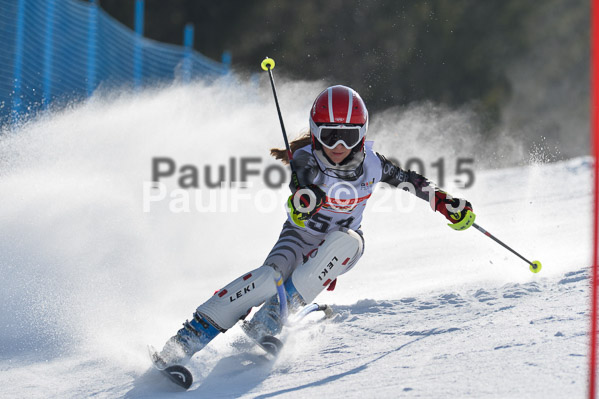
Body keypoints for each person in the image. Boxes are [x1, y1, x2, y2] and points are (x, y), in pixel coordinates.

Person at [153, 85, 475, 366]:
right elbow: (303, 182)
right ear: (315, 131)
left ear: (361, 134)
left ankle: (274, 315)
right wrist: (305, 198)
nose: (338, 146)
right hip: (298, 237)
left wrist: (445, 203)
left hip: (337, 246)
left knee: (350, 241)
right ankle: (188, 339)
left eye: (347, 136)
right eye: (329, 135)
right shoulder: (307, 158)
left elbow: (411, 181)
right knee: (269, 278)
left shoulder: (373, 164)